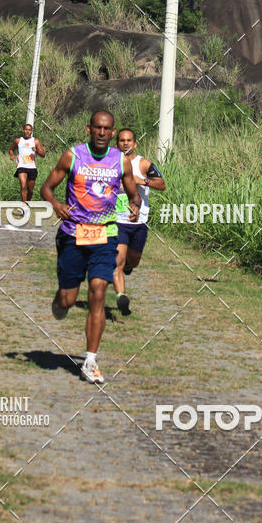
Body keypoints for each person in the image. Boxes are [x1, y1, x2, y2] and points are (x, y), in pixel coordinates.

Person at [41, 110, 140, 384]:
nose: (101, 133)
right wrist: (56, 205)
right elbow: (46, 188)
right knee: (67, 300)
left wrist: (134, 207)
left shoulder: (120, 160)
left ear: (113, 132)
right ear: (89, 129)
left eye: (106, 129)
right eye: (97, 127)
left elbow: (134, 194)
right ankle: (62, 297)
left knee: (98, 292)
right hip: (73, 235)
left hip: (105, 235)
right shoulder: (72, 156)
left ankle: (90, 360)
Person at [113, 128, 166, 315]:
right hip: (117, 220)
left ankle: (130, 265)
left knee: (133, 260)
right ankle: (121, 296)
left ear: (134, 144)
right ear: (117, 144)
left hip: (139, 222)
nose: (125, 143)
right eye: (122, 141)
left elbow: (162, 184)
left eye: (129, 140)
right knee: (117, 261)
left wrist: (142, 181)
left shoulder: (143, 163)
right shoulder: (111, 164)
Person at [9, 124, 46, 203]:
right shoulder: (18, 140)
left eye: (29, 130)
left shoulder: (35, 141)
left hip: (32, 167)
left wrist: (36, 150)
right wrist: (12, 156)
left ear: (31, 131)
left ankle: (27, 203)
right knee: (23, 187)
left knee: (30, 190)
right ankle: (24, 207)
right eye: (26, 129)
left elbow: (43, 155)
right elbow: (11, 149)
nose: (27, 131)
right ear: (23, 130)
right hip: (21, 166)